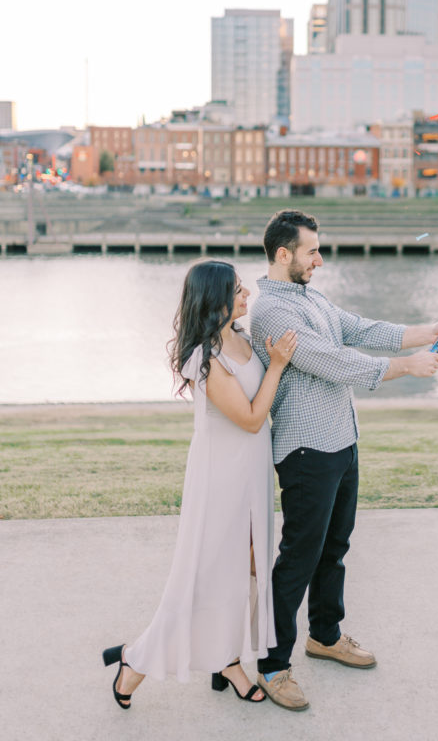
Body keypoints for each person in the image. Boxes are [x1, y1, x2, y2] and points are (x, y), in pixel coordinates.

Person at [250, 210, 438, 711]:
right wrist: (408, 368)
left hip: (341, 441)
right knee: (298, 560)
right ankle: (272, 666)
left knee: (335, 547)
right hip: (306, 449)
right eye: (311, 251)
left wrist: (429, 330)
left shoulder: (311, 297)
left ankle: (324, 635)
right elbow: (333, 361)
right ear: (283, 255)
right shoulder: (272, 313)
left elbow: (361, 329)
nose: (319, 259)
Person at [102, 259, 297, 709]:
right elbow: (250, 419)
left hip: (250, 475)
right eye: (239, 290)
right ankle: (134, 660)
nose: (248, 295)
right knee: (202, 578)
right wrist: (278, 366)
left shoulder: (242, 339)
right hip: (220, 479)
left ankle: (227, 660)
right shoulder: (205, 358)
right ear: (217, 299)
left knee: (243, 571)